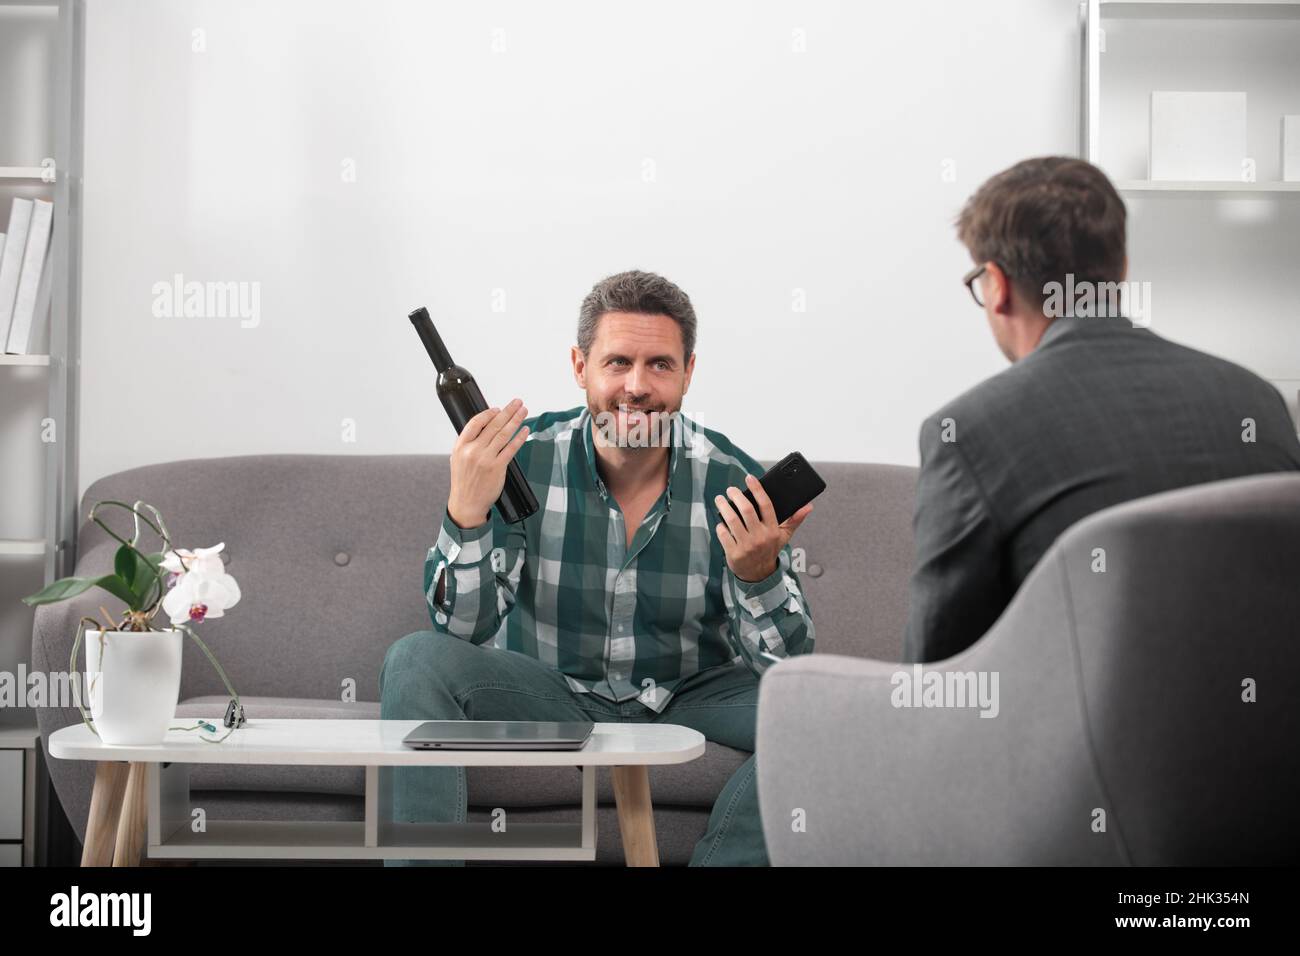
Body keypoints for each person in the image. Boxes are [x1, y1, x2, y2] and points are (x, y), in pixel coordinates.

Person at [381, 269, 815, 866]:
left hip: (687, 692)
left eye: (660, 365)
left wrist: (757, 572)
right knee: (414, 658)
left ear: (689, 372)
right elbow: (461, 631)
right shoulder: (523, 458)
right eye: (617, 363)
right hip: (552, 689)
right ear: (580, 366)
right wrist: (467, 510)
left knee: (825, 712)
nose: (636, 386)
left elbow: (789, 670)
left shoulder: (730, 477)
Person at [902, 156, 1300, 664]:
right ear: (1122, 269)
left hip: (1077, 742)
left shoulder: (969, 433)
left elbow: (935, 676)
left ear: (996, 286)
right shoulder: (1259, 402)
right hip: (1267, 736)